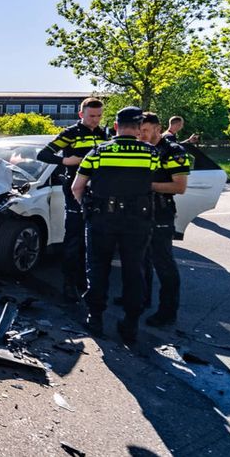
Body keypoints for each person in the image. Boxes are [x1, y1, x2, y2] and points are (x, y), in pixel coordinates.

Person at [71, 106, 158, 344]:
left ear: (116, 126)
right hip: (137, 222)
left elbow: (76, 187)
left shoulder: (98, 152)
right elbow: (152, 183)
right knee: (134, 271)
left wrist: (86, 210)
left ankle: (95, 318)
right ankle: (130, 325)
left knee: (97, 268)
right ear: (140, 129)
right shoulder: (151, 154)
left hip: (101, 219)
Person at [37, 97, 111, 302]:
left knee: (94, 240)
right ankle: (68, 284)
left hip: (99, 191)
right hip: (75, 191)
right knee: (74, 238)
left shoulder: (105, 134)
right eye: (91, 116)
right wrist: (65, 160)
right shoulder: (70, 133)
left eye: (98, 116)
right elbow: (43, 154)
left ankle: (84, 281)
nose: (95, 120)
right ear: (81, 114)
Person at [139, 112, 188, 327]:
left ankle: (167, 312)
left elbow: (179, 186)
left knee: (163, 263)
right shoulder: (140, 149)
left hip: (161, 212)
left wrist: (146, 186)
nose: (141, 135)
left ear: (158, 129)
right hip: (139, 212)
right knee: (141, 260)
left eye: (145, 131)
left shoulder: (173, 151)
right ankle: (143, 298)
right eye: (139, 131)